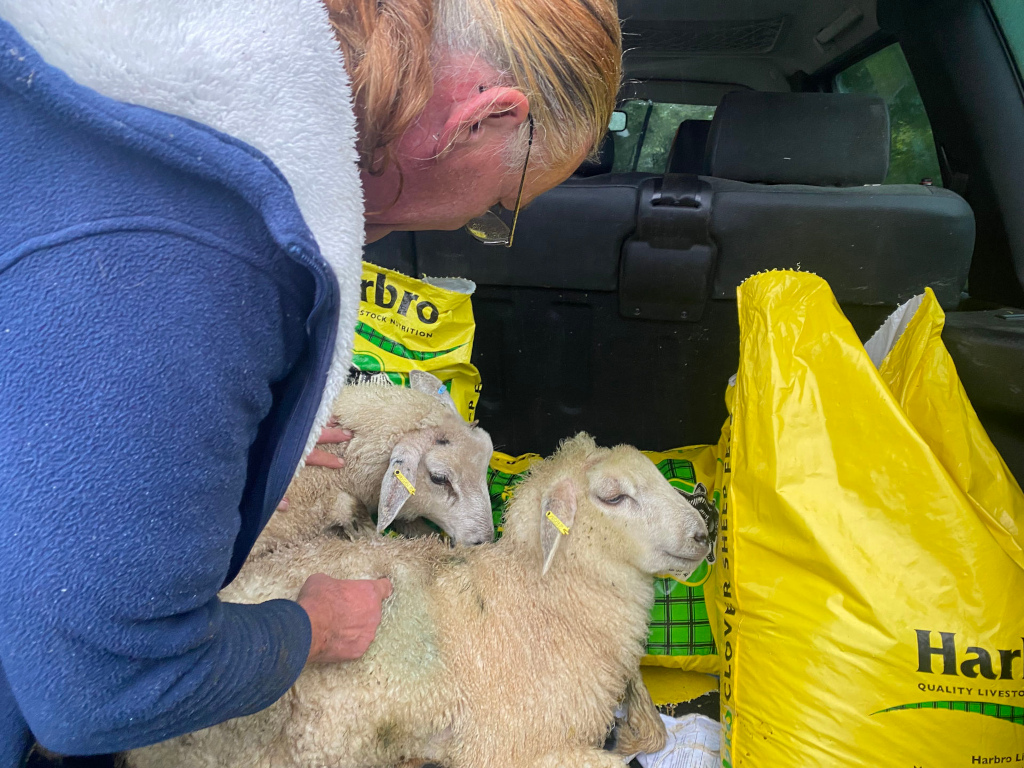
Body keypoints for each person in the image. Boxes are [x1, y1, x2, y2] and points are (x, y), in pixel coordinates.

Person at [0, 0, 621, 764]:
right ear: (485, 119)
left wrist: (222, 432)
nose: (471, 226)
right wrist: (308, 629)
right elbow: (102, 687)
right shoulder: (208, 248)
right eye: (496, 209)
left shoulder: (145, 102)